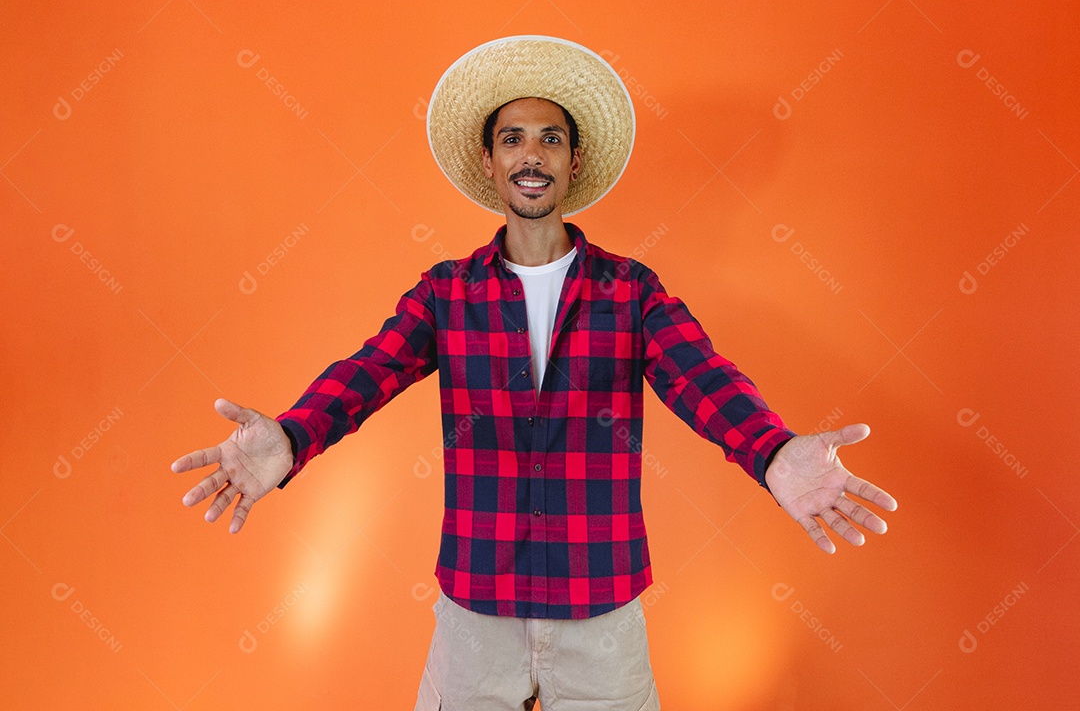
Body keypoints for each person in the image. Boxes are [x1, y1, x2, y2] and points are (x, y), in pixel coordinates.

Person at [171, 36, 898, 710]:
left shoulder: (630, 289)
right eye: (512, 138)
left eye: (551, 139)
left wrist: (774, 451)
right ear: (490, 162)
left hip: (601, 608)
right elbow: (370, 372)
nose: (532, 155)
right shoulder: (447, 292)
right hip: (475, 608)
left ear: (573, 163)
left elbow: (701, 377)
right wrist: (292, 436)